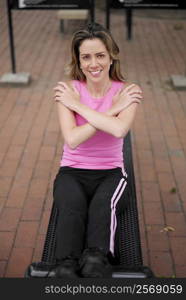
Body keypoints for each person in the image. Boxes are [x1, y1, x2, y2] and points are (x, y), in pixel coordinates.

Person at [51, 22, 142, 278]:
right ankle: (66, 267)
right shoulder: (68, 90)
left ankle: (97, 261)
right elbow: (73, 138)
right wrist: (110, 111)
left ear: (111, 57)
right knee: (71, 210)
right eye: (86, 57)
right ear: (78, 62)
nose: (94, 63)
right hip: (71, 171)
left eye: (100, 55)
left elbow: (118, 130)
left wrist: (80, 108)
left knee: (99, 226)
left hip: (111, 174)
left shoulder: (128, 91)